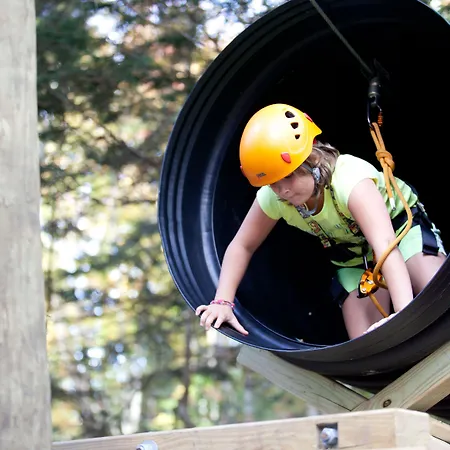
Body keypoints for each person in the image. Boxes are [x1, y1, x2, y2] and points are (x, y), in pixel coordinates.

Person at [195, 103, 446, 339]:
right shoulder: (274, 198)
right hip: (355, 257)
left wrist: (403, 316)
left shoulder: (350, 180)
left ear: (312, 158)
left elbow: (386, 245)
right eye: (273, 183)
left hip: (399, 232)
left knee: (437, 293)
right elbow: (242, 245)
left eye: (288, 176)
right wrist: (223, 301)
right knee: (367, 342)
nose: (283, 190)